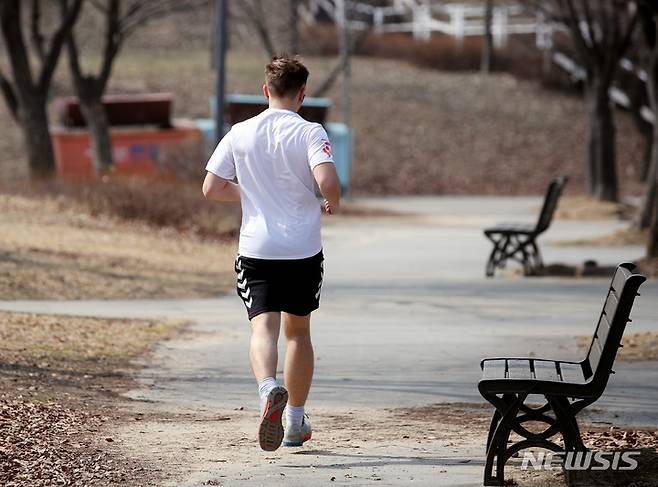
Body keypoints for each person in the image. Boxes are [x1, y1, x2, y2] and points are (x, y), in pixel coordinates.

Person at [202, 56, 341, 452]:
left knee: (263, 329)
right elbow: (327, 179)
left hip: (256, 248)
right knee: (298, 333)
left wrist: (249, 193)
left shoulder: (240, 132)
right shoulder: (311, 131)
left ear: (265, 91)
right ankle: (295, 422)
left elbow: (211, 188)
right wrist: (331, 200)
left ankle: (268, 391)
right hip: (302, 250)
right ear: (302, 94)